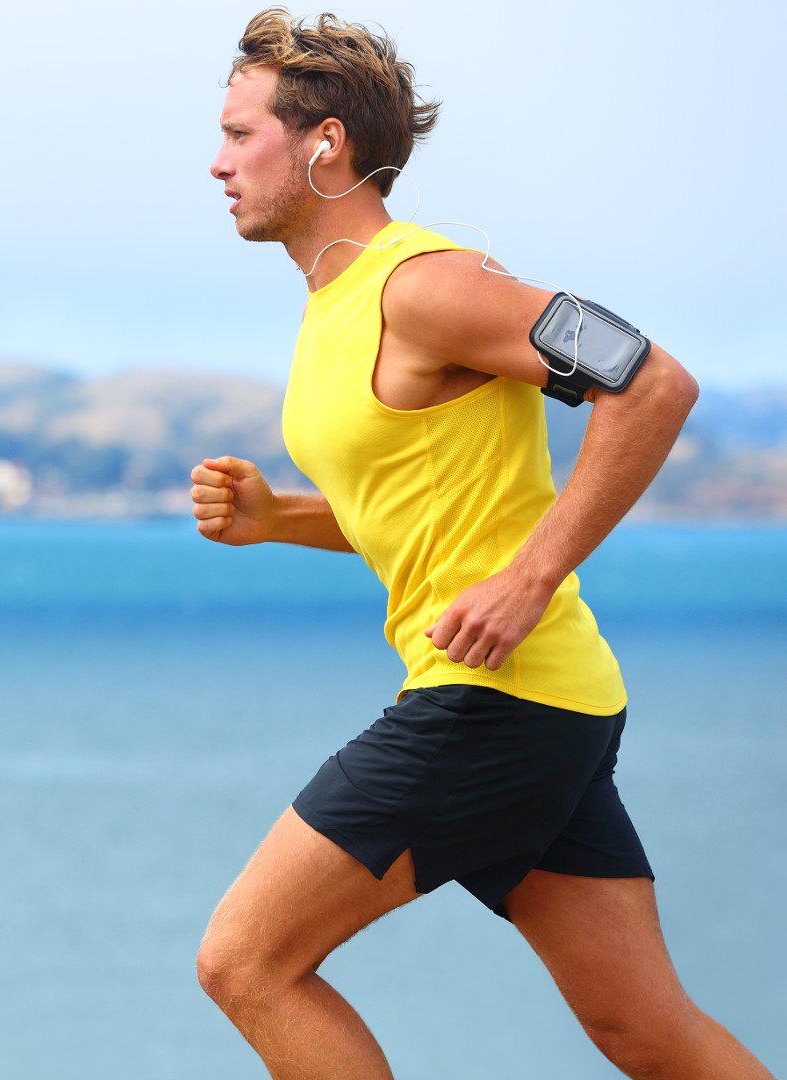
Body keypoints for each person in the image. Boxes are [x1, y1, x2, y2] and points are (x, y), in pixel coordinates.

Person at [190, 9, 774, 1079]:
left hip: (489, 700)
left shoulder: (428, 285)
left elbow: (651, 384)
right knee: (646, 1032)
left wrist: (531, 575)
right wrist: (281, 520)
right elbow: (424, 516)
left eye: (239, 134)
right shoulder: (334, 306)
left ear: (324, 142)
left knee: (246, 963)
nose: (215, 161)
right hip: (550, 702)